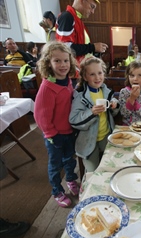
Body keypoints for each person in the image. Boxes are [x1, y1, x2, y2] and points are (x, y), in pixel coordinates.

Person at [34, 41, 79, 208]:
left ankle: (71, 181)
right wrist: (51, 135)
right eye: (57, 61)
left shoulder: (67, 81)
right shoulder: (47, 88)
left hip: (69, 131)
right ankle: (57, 191)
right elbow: (41, 116)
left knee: (70, 160)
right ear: (48, 63)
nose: (63, 65)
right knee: (55, 164)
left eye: (66, 61)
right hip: (55, 135)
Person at [69, 56, 119, 172]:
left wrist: (114, 104)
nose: (97, 77)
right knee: (93, 172)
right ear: (85, 77)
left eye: (100, 73)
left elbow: (114, 109)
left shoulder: (106, 91)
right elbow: (73, 120)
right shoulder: (80, 96)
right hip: (88, 141)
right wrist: (91, 112)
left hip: (106, 136)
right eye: (92, 74)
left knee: (111, 167)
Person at [119, 61, 141, 125]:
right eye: (132, 75)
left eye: (139, 75)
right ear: (128, 77)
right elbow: (124, 114)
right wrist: (132, 99)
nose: (135, 79)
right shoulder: (124, 92)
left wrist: (136, 105)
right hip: (127, 127)